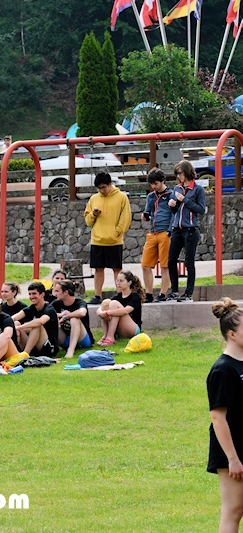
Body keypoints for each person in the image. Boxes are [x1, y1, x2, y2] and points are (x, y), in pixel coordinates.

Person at [207, 298, 243, 532]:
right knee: (233, 510)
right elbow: (218, 418)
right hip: (232, 449)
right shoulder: (222, 369)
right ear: (232, 334)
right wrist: (233, 458)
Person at [84, 171, 132, 305]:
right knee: (98, 269)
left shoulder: (121, 197)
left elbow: (126, 217)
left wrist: (118, 231)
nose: (102, 190)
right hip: (97, 240)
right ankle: (97, 296)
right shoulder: (94, 199)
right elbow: (88, 221)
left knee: (116, 269)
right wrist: (93, 214)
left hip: (114, 240)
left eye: (104, 187)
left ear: (110, 184)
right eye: (99, 188)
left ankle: (119, 295)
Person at [166, 160, 206, 302]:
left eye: (180, 173)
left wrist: (184, 200)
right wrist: (172, 205)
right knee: (171, 261)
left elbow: (201, 210)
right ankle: (175, 291)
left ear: (187, 172)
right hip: (177, 229)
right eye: (177, 174)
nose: (179, 176)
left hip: (190, 230)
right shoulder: (177, 188)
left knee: (189, 263)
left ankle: (188, 294)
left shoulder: (198, 189)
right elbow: (175, 210)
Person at [140, 168, 173, 303]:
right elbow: (147, 212)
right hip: (152, 232)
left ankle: (163, 293)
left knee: (165, 265)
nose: (154, 187)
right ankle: (148, 293)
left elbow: (174, 214)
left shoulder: (171, 194)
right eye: (152, 184)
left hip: (165, 232)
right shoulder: (151, 196)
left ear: (162, 181)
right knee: (145, 265)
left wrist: (170, 231)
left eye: (156, 184)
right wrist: (144, 216)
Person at [12, 281, 59, 359]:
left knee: (37, 325)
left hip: (49, 348)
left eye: (34, 294)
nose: (31, 296)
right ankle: (15, 353)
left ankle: (24, 356)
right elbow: (13, 318)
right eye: (30, 294)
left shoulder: (49, 309)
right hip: (34, 346)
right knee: (16, 323)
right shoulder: (31, 308)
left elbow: (41, 321)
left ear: (42, 294)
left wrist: (21, 327)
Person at [96, 270, 143, 346]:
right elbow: (101, 307)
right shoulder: (117, 296)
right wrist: (100, 312)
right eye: (117, 281)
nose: (118, 283)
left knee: (114, 304)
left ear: (129, 282)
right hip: (120, 330)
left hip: (133, 329)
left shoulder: (135, 297)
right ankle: (105, 335)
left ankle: (110, 337)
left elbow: (126, 311)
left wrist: (107, 313)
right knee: (106, 302)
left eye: (121, 281)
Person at [51, 279, 94, 359]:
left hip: (83, 340)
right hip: (66, 339)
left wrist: (66, 317)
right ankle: (49, 348)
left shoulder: (79, 302)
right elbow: (45, 313)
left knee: (74, 319)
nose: (55, 294)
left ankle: (71, 350)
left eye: (57, 291)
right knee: (50, 320)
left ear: (66, 292)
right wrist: (60, 315)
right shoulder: (57, 303)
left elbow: (82, 313)